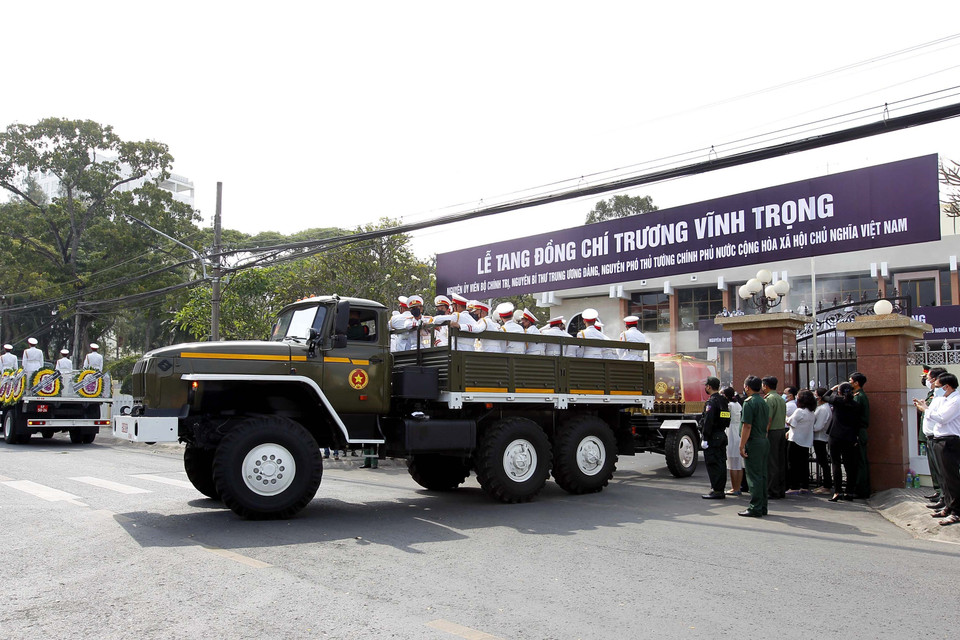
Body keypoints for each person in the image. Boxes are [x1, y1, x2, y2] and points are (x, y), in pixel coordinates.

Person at [914, 372, 960, 525]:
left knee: (951, 478)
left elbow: (941, 418)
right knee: (944, 478)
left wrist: (925, 409)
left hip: (950, 441)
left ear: (947, 386)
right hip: (940, 440)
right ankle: (949, 505)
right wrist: (927, 408)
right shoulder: (944, 399)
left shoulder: (956, 400)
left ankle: (956, 512)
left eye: (938, 386)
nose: (935, 388)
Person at [823, 383, 862, 502]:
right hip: (850, 437)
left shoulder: (837, 401)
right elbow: (858, 423)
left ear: (839, 392)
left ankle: (837, 491)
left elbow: (824, 397)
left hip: (835, 436)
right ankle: (849, 492)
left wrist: (832, 389)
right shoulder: (856, 405)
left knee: (836, 463)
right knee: (850, 465)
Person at [738, 375, 770, 517]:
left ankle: (755, 507)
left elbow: (747, 426)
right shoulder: (763, 401)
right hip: (763, 440)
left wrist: (741, 445)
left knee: (754, 476)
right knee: (762, 475)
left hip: (754, 442)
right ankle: (762, 506)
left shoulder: (749, 403)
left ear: (747, 387)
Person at [920, 367, 948, 508]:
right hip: (931, 436)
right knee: (935, 468)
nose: (926, 381)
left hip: (940, 437)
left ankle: (944, 496)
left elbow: (940, 417)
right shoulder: (934, 394)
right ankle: (939, 492)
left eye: (929, 378)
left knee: (942, 469)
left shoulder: (943, 397)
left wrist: (925, 408)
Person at [700, 376, 730, 499]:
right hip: (721, 434)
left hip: (713, 437)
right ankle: (720, 488)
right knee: (721, 463)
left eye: (706, 386)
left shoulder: (711, 402)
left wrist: (705, 437)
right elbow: (726, 417)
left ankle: (717, 490)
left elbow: (708, 421)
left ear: (709, 386)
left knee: (713, 463)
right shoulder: (723, 400)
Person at [785, 389, 816, 495]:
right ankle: (804, 486)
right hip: (806, 440)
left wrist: (785, 417)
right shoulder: (811, 412)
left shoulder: (799, 411)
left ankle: (794, 486)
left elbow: (791, 422)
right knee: (803, 464)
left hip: (795, 440)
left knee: (792, 464)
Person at [763, 376, 788, 500]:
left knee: (771, 462)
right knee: (780, 461)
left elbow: (768, 419)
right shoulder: (780, 398)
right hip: (781, 431)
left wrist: (764, 434)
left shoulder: (769, 399)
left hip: (772, 432)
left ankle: (772, 490)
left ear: (766, 386)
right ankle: (780, 489)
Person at [849, 372, 871, 498]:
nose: (849, 383)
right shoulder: (858, 395)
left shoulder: (859, 397)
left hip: (858, 431)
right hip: (858, 430)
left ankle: (861, 489)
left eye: (850, 380)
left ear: (856, 383)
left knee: (860, 461)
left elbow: (855, 416)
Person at [811, 387, 835, 495]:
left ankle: (827, 485)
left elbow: (818, 426)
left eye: (816, 394)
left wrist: (808, 427)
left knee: (823, 462)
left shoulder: (823, 409)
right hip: (820, 437)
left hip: (820, 438)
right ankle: (826, 484)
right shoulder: (824, 408)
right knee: (823, 462)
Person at [723, 387, 744, 496]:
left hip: (731, 431)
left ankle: (734, 487)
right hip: (738, 430)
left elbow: (725, 417)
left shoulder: (729, 406)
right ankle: (738, 487)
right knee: (739, 463)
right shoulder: (738, 405)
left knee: (732, 462)